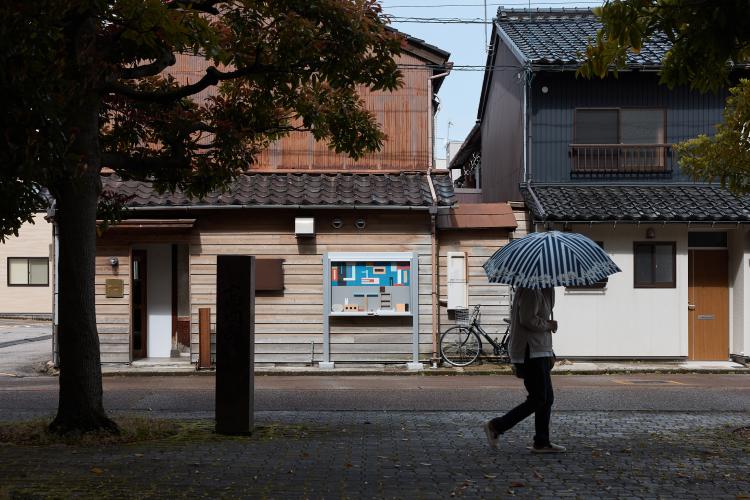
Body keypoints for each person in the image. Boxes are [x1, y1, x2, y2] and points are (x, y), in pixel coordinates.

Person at [483, 286, 565, 453]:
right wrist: (548, 324)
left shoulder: (544, 289)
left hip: (540, 349)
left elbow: (542, 312)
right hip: (530, 351)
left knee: (546, 398)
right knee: (538, 398)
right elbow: (527, 319)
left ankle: (542, 442)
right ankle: (496, 426)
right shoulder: (530, 289)